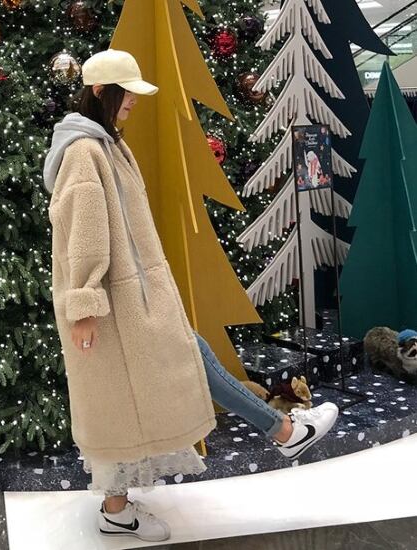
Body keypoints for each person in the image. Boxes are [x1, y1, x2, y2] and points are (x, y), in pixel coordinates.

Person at [44, 49, 339, 543]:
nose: (133, 102)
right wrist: (85, 304)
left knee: (152, 384)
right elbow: (85, 232)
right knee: (142, 391)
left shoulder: (104, 144)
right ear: (100, 91)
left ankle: (120, 509)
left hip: (131, 300)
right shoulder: (85, 152)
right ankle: (284, 433)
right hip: (116, 306)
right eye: (126, 93)